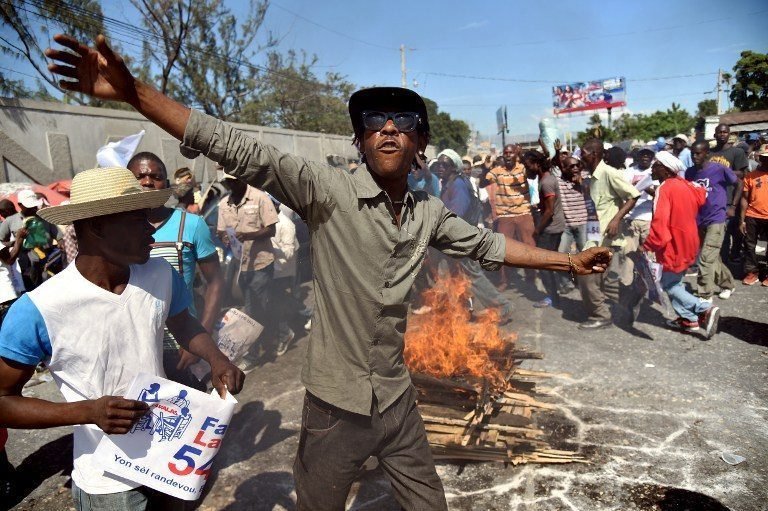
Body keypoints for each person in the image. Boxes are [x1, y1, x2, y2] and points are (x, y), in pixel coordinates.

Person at [45, 34, 611, 510]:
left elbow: (489, 246)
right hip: (334, 411)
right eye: (374, 122)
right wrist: (134, 93)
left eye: (403, 121)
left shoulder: (428, 212)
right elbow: (234, 145)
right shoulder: (327, 191)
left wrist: (569, 259)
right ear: (361, 141)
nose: (388, 128)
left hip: (396, 401)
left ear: (419, 143)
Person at [0, 166, 244, 510]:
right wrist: (88, 411)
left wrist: (217, 358)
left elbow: (183, 325)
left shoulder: (160, 274)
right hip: (109, 482)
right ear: (97, 225)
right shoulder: (38, 309)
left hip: (169, 459)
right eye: (137, 220)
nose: (151, 232)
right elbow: (4, 401)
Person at [126, 151, 224, 386]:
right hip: (136, 351)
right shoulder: (119, 231)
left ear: (167, 184)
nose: (148, 182)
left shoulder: (191, 224)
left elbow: (216, 282)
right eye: (140, 177)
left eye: (156, 177)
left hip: (182, 347)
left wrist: (202, 336)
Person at [643, 153, 719, 338]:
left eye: (655, 165)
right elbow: (701, 197)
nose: (652, 169)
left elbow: (660, 225)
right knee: (675, 280)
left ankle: (704, 308)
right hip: (690, 240)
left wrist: (647, 245)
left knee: (668, 284)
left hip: (674, 243)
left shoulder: (665, 188)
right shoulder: (686, 185)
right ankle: (688, 319)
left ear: (665, 169)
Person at [216, 174, 288, 358]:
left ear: (243, 179)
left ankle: (252, 352)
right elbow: (221, 230)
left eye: (234, 180)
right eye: (227, 182)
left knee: (252, 307)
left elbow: (271, 229)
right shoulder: (224, 204)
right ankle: (281, 332)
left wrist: (248, 235)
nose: (231, 184)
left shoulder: (260, 197)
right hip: (240, 264)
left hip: (261, 263)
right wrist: (224, 237)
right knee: (259, 305)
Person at [578, 139, 640, 329]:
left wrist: (616, 219)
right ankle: (627, 301)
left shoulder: (609, 173)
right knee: (598, 278)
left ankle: (602, 315)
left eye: (584, 153)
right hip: (594, 236)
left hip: (606, 237)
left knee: (586, 274)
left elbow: (633, 195)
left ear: (594, 154)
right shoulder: (591, 176)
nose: (581, 157)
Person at [685, 142, 737, 301]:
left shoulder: (718, 169)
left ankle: (704, 295)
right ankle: (728, 284)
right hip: (699, 220)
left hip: (717, 218)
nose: (695, 157)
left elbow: (739, 183)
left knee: (705, 258)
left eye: (698, 153)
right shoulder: (690, 172)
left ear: (706, 153)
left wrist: (732, 206)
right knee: (712, 257)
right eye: (693, 153)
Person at [486, 143, 536, 290]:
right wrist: (485, 168)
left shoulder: (523, 169)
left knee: (528, 247)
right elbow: (484, 181)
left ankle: (530, 277)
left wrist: (522, 157)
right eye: (505, 153)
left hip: (523, 213)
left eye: (511, 153)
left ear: (516, 154)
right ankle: (504, 280)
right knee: (503, 249)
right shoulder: (497, 170)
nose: (508, 155)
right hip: (505, 215)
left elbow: (533, 173)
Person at [617, 147, 657, 325]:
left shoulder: (656, 170)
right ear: (637, 157)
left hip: (649, 219)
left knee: (648, 259)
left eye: (649, 154)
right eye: (643, 154)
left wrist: (647, 189)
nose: (646, 157)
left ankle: (646, 291)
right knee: (628, 257)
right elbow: (623, 192)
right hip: (631, 219)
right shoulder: (629, 172)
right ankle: (625, 293)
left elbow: (659, 195)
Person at [523, 150, 565, 308]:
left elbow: (549, 210)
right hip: (554, 226)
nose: (527, 170)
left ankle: (552, 297)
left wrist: (537, 230)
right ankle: (556, 293)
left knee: (543, 264)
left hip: (550, 228)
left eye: (528, 166)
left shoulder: (547, 182)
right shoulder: (545, 179)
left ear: (536, 164)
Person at [0, 190, 62, 291]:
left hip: (47, 260)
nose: (33, 208)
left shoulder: (44, 218)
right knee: (32, 290)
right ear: (20, 205)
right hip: (24, 263)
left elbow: (59, 237)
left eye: (34, 205)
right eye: (29, 206)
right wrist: (15, 242)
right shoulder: (10, 221)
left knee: (50, 289)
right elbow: (1, 242)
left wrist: (61, 243)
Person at [710, 124, 749, 269]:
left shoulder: (737, 152)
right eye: (719, 132)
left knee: (729, 235)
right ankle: (719, 265)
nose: (722, 134)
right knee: (717, 236)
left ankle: (727, 263)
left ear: (729, 134)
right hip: (712, 200)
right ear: (715, 135)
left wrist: (722, 171)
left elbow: (742, 174)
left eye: (725, 132)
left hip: (730, 198)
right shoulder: (709, 153)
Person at [555, 156, 589, 294]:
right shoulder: (559, 181)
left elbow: (592, 189)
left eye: (577, 165)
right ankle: (566, 283)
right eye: (571, 166)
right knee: (560, 256)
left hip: (583, 224)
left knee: (585, 256)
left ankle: (585, 285)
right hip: (566, 226)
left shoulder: (586, 178)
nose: (575, 168)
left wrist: (581, 183)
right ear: (564, 168)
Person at [270, 201, 298, 354]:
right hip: (270, 270)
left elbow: (289, 253)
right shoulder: (267, 221)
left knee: (279, 304)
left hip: (282, 272)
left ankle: (285, 334)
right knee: (276, 302)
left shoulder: (286, 224)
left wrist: (272, 245)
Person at [740, 143, 768, 286]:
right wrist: (742, 220)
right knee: (749, 246)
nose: (766, 160)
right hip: (752, 215)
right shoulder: (751, 176)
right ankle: (752, 272)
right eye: (764, 157)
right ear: (760, 158)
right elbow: (744, 198)